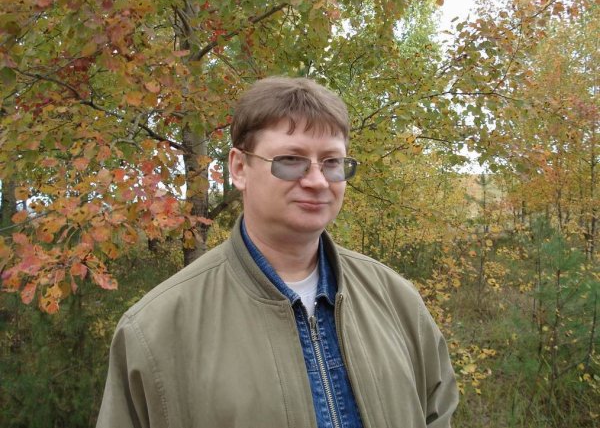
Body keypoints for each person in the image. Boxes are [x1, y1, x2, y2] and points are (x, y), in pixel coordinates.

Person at [97, 77, 458, 428]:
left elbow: (436, 411)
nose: (317, 181)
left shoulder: (397, 300)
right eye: (291, 160)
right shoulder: (155, 330)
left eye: (332, 162)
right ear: (239, 168)